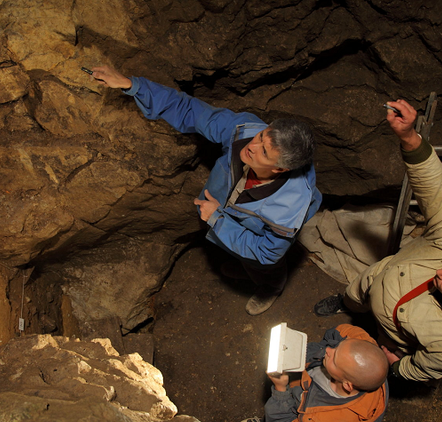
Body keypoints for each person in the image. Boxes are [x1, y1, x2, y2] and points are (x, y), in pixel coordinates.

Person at [313, 99, 442, 382]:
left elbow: (423, 368)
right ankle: (347, 303)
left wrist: (394, 368)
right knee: (356, 291)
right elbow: (437, 191)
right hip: (377, 277)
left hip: (391, 336)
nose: (440, 272)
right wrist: (409, 137)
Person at [91, 66, 322, 315]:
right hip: (229, 209)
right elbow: (190, 109)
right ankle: (244, 264)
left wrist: (216, 218)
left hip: (256, 231)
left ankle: (269, 286)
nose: (252, 146)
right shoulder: (244, 131)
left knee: (263, 264)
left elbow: (266, 252)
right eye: (262, 136)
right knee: (238, 247)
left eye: (264, 152)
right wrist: (131, 85)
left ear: (280, 169)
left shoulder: (288, 209)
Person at [239, 324, 388, 422]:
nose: (328, 350)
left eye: (334, 359)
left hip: (295, 415)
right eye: (337, 348)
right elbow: (337, 332)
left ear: (348, 385)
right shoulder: (361, 344)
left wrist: (281, 389)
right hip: (303, 383)